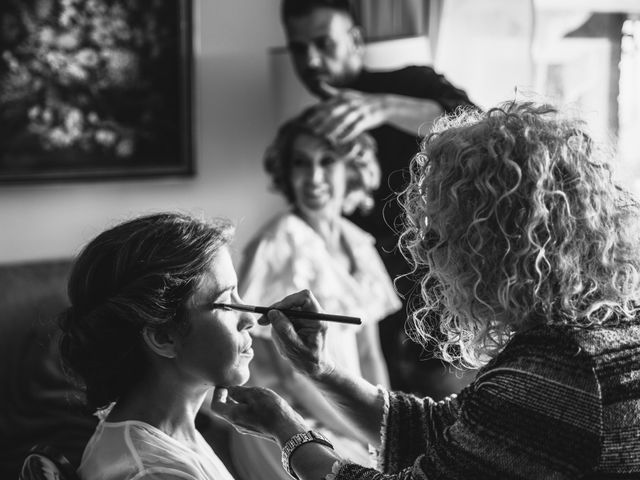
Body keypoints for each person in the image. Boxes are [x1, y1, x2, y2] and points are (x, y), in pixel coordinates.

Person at [211, 102, 640, 479]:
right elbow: (443, 430)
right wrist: (322, 370)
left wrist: (286, 429)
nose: (428, 253)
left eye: (443, 233)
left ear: (499, 244)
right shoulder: (580, 338)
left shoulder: (556, 374)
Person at [281, 0, 479, 396]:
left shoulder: (412, 83)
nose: (312, 59)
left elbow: (475, 125)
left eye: (324, 43)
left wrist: (382, 106)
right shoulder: (316, 128)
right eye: (300, 48)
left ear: (355, 41)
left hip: (438, 301)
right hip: (367, 309)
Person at [227, 107, 401, 480]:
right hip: (287, 418)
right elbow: (294, 376)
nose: (314, 177)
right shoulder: (281, 243)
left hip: (346, 409)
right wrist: (369, 435)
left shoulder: (358, 244)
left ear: (351, 169)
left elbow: (371, 356)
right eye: (301, 164)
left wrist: (386, 426)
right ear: (287, 173)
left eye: (327, 162)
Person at [58, 212, 256, 480]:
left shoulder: (165, 431)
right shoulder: (158, 472)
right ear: (163, 337)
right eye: (226, 304)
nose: (250, 319)